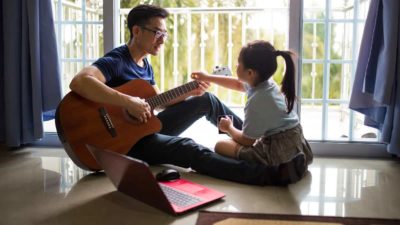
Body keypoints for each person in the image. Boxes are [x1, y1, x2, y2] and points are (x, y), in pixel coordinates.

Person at [69, 4, 306, 186]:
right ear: (137, 31)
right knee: (189, 148)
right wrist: (127, 101)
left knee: (206, 100)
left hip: (143, 126)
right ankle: (263, 174)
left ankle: (252, 142)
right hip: (124, 143)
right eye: (157, 32)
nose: (162, 39)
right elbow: (80, 82)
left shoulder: (145, 65)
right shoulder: (117, 60)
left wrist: (189, 92)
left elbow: (155, 104)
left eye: (165, 34)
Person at [191, 40, 313, 167]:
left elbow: (247, 141)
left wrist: (229, 128)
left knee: (220, 146)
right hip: (295, 142)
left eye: (238, 63)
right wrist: (207, 77)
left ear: (250, 73)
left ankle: (268, 168)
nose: (235, 65)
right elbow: (238, 84)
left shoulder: (257, 100)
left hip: (277, 151)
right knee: (230, 141)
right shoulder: (266, 84)